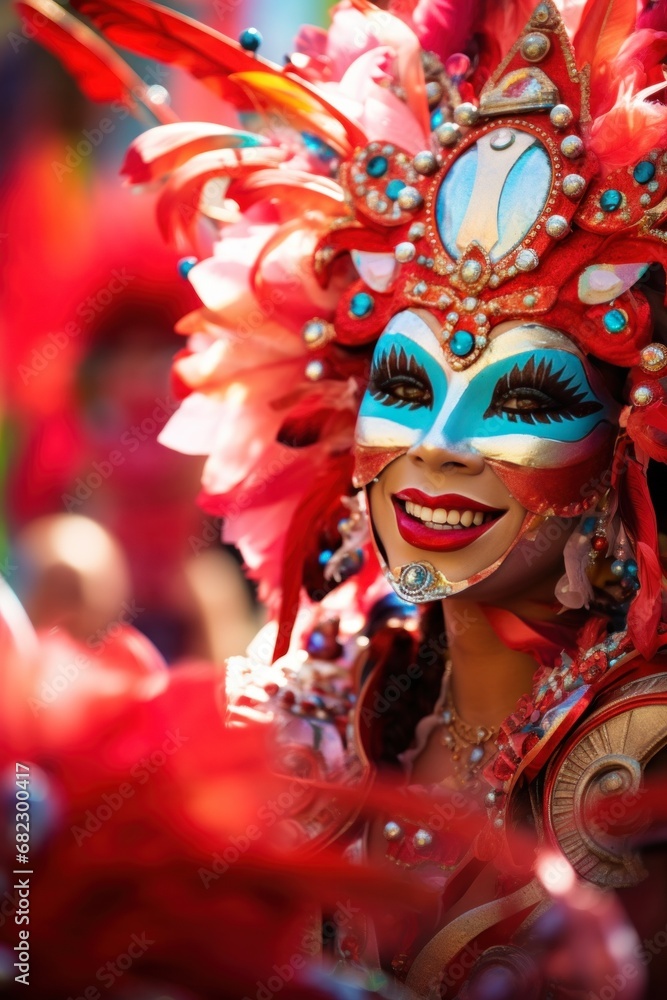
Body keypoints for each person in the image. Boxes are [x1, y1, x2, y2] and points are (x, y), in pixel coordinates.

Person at [19, 0, 667, 995]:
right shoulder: (315, 706)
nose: (438, 445)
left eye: (523, 397)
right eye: (404, 388)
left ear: (626, 439)